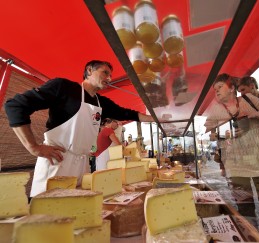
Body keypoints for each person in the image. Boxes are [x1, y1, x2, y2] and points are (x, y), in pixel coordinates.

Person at [5, 60, 154, 197]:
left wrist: (156, 118)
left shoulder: (102, 102)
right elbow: (15, 106)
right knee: (48, 216)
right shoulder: (63, 88)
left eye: (110, 75)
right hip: (57, 161)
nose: (109, 78)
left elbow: (128, 113)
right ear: (89, 70)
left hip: (82, 165)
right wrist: (33, 147)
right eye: (105, 73)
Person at [206, 73, 259, 234]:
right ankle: (250, 236)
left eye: (219, 87)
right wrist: (219, 134)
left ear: (231, 88)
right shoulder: (216, 110)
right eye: (214, 89)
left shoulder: (248, 99)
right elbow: (209, 132)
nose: (216, 91)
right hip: (237, 164)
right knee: (244, 205)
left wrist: (258, 115)